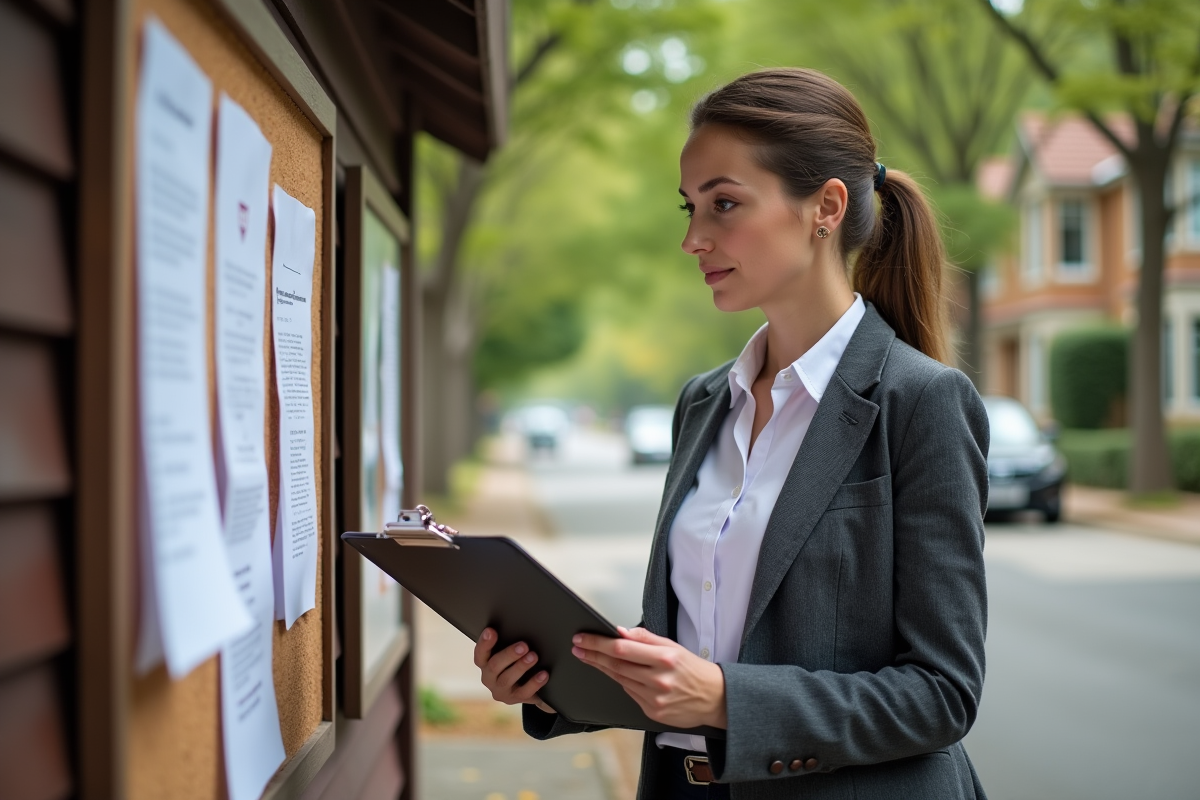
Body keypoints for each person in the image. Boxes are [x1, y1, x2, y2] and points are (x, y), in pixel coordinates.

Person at [472, 68, 990, 800]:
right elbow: (682, 656)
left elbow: (942, 694)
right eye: (689, 208)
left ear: (826, 207)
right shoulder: (704, 402)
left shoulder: (922, 402)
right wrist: (553, 682)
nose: (692, 238)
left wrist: (724, 699)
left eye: (723, 204)